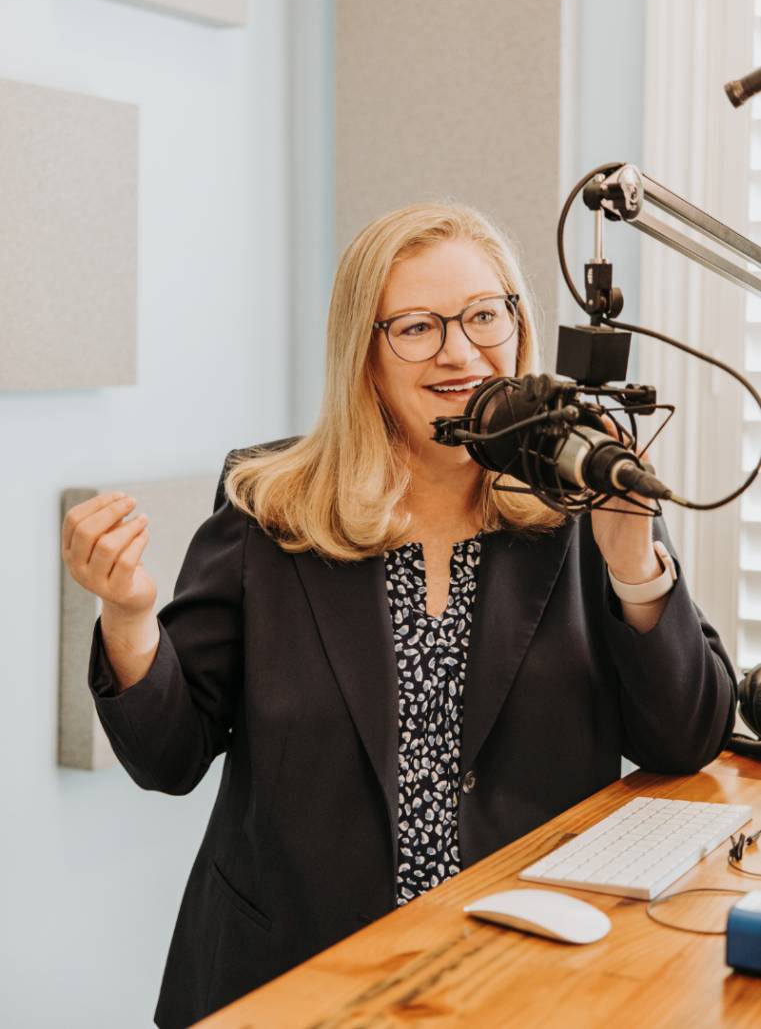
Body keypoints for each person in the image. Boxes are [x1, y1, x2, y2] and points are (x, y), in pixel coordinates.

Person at [61, 202, 737, 1029]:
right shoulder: (269, 506)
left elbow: (682, 740)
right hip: (296, 973)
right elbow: (169, 757)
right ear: (365, 355)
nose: (460, 351)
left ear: (517, 326)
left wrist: (633, 563)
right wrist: (130, 620)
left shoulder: (579, 492)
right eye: (417, 327)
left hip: (524, 973)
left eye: (484, 315)